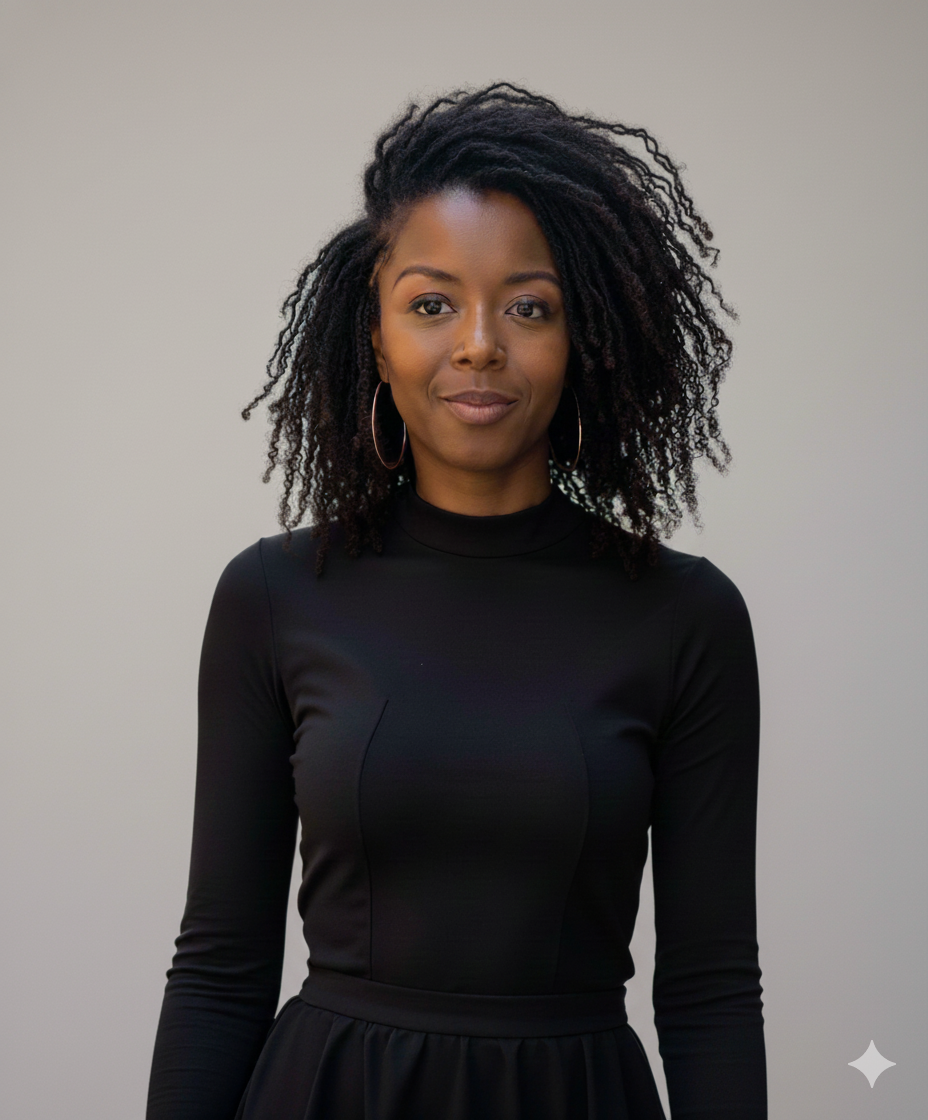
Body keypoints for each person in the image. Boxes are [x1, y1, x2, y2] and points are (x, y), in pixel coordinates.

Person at [146, 83, 767, 1120]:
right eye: (432, 303)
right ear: (375, 337)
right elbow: (219, 964)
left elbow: (709, 988)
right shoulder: (273, 595)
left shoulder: (683, 617)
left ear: (588, 340)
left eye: (530, 306)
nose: (480, 342)